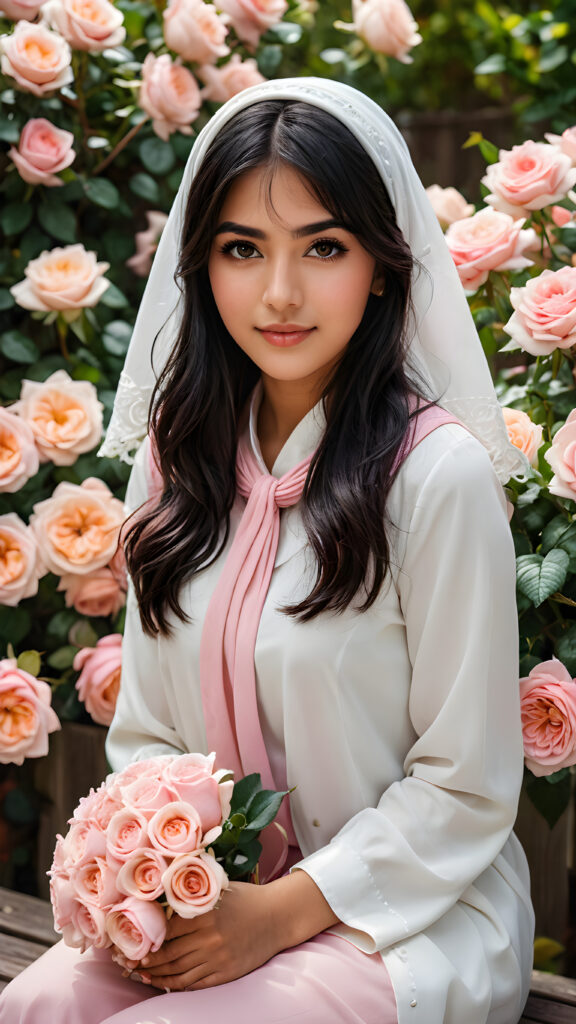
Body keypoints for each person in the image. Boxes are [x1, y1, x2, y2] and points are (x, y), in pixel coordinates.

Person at [0, 77, 534, 1024]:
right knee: (33, 1008)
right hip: (214, 901)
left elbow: (464, 784)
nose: (280, 293)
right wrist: (170, 879)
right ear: (201, 264)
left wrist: (279, 915)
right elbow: (149, 737)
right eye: (242, 249)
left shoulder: (435, 477)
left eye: (324, 247)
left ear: (382, 265)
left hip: (409, 917)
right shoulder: (176, 462)